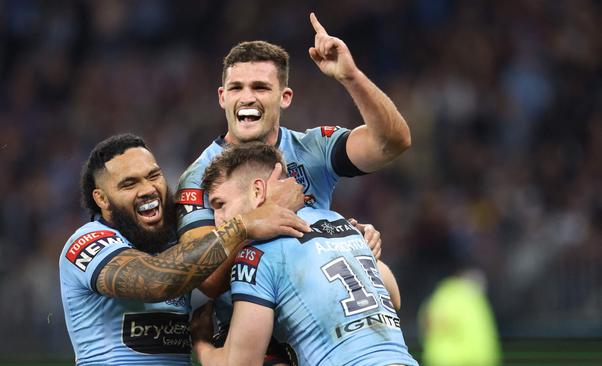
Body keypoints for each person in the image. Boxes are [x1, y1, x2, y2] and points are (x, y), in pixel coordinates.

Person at [176, 12, 410, 339]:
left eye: (260, 87)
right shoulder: (199, 176)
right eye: (237, 88)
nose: (247, 98)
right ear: (222, 97)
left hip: (322, 327)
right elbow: (206, 279)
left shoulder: (312, 149)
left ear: (284, 97)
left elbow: (393, 142)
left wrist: (351, 76)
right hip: (255, 340)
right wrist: (264, 215)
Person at [59, 134, 309, 365]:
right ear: (101, 199)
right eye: (129, 184)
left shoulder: (174, 240)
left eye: (154, 175)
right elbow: (155, 281)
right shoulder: (86, 244)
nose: (148, 189)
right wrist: (243, 225)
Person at [190, 143, 418, 366]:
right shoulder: (339, 222)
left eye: (220, 204)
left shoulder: (255, 255)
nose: (217, 221)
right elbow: (393, 296)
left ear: (258, 191)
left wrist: (201, 343)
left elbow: (241, 363)